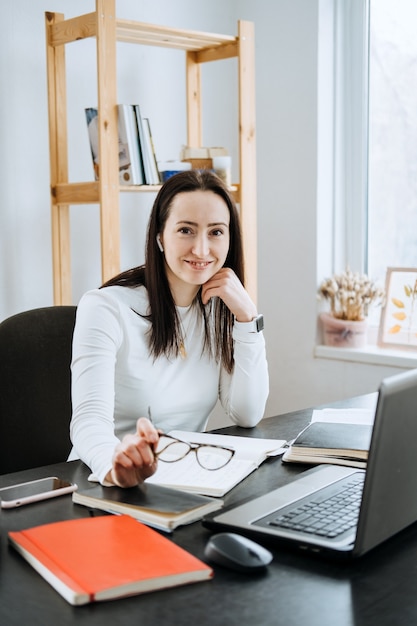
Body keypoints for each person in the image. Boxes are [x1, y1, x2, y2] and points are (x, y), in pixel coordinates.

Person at [69, 169, 269, 488]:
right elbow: (88, 422)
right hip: (102, 481)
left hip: (183, 479)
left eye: (216, 232)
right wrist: (116, 466)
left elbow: (247, 413)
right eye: (186, 230)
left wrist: (248, 318)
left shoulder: (221, 308)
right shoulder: (105, 308)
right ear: (160, 236)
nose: (202, 250)